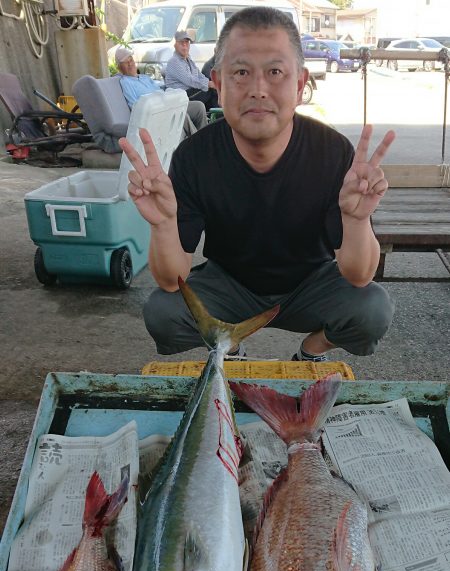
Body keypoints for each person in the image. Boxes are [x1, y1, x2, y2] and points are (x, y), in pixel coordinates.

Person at [119, 7, 396, 362]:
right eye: (241, 72)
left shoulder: (332, 152)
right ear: (217, 85)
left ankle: (312, 351)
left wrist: (356, 220)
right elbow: (172, 281)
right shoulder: (194, 156)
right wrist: (162, 225)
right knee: (163, 311)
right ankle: (228, 345)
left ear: (299, 85)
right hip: (229, 285)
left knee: (372, 308)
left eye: (275, 72)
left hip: (311, 284)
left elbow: (358, 276)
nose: (258, 89)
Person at [115, 46, 207, 136]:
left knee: (199, 106)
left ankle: (205, 137)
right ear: (119, 68)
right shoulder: (126, 82)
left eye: (131, 60)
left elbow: (160, 91)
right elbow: (135, 106)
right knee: (181, 116)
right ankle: (198, 145)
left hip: (167, 104)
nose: (130, 64)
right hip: (156, 113)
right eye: (125, 63)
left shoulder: (145, 78)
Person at [164, 31, 219, 110]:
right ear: (175, 45)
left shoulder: (188, 59)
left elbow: (199, 75)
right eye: (181, 42)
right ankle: (219, 116)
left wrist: (211, 82)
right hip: (179, 97)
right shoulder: (174, 61)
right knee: (211, 90)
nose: (184, 45)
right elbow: (190, 80)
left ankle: (215, 115)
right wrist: (209, 84)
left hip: (189, 93)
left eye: (186, 42)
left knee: (213, 88)